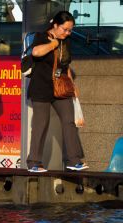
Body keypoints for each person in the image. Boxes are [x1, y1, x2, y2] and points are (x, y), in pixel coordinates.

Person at [26, 11, 88, 172]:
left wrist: (72, 86)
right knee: (41, 124)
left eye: (70, 30)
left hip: (60, 87)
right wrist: (53, 45)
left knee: (69, 121)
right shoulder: (42, 36)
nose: (67, 33)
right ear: (55, 25)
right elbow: (36, 52)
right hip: (41, 87)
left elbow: (65, 65)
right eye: (64, 29)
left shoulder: (66, 41)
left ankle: (74, 160)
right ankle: (34, 162)